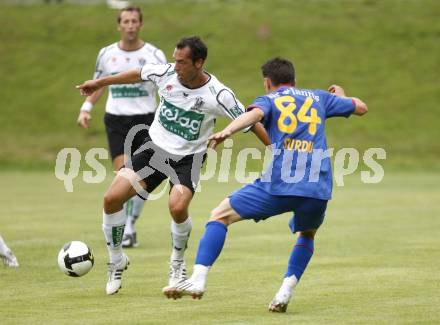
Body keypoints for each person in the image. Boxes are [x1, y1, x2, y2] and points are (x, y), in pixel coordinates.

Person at [163, 57, 368, 312]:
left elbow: (254, 116)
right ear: (294, 80)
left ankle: (198, 279)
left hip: (280, 183)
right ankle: (285, 292)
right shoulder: (319, 97)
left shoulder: (269, 99)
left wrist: (227, 131)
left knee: (219, 216)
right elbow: (361, 107)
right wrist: (341, 95)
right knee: (307, 234)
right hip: (317, 188)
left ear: (267, 82)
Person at [76, 36, 270, 295]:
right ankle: (116, 260)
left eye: (182, 62)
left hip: (188, 159)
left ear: (199, 62)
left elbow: (250, 120)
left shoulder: (218, 94)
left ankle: (177, 265)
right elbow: (137, 73)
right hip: (153, 150)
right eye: (175, 60)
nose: (175, 66)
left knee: (177, 207)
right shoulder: (166, 73)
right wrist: (99, 83)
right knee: (111, 199)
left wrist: (275, 148)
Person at [77, 6, 166, 249]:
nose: (130, 25)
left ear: (140, 24)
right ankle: (127, 228)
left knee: (141, 178)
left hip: (147, 120)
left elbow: (168, 86)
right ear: (119, 25)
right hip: (116, 120)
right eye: (125, 21)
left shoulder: (154, 54)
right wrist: (86, 107)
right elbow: (98, 84)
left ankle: (130, 225)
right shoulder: (106, 54)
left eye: (134, 21)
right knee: (124, 174)